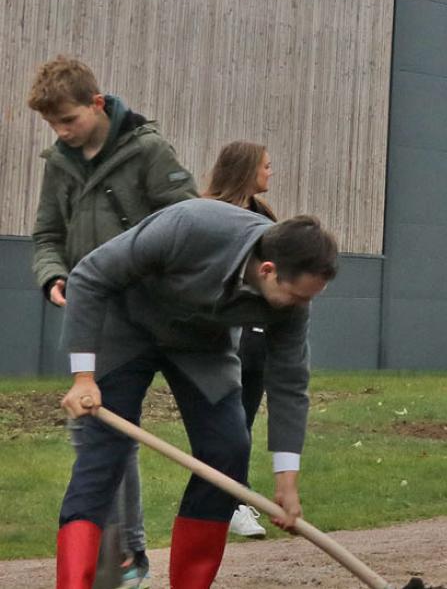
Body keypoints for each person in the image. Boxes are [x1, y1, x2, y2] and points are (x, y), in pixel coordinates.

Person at [55, 201, 337, 589]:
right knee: (104, 453)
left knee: (229, 453)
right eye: (298, 297)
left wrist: (286, 482)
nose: (303, 307)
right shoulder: (190, 226)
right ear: (268, 270)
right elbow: (89, 275)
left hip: (200, 347)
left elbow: (289, 383)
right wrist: (84, 378)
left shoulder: (292, 305)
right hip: (127, 329)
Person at [31, 56, 199, 585]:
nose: (61, 133)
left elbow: (187, 220)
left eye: (69, 121)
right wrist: (54, 273)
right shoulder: (58, 163)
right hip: (92, 318)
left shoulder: (149, 151)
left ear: (97, 104)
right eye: (53, 125)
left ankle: (125, 557)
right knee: (98, 429)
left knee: (106, 436)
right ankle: (122, 559)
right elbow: (46, 236)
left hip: (151, 317)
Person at [201, 140, 280, 539]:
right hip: (223, 335)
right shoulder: (212, 214)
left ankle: (233, 499)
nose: (270, 172)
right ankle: (230, 500)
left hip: (258, 335)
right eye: (265, 166)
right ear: (246, 170)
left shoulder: (263, 216)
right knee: (226, 426)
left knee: (243, 422)